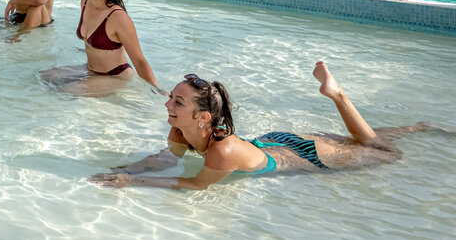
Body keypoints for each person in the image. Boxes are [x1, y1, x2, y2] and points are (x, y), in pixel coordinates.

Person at [90, 61, 436, 190]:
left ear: (203, 117)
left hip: (304, 156)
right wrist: (123, 169)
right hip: (274, 142)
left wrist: (134, 181)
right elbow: (166, 159)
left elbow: (196, 184)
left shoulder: (222, 151)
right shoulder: (180, 130)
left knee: (384, 152)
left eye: (178, 102)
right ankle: (417, 127)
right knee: (361, 140)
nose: (167, 104)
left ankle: (338, 95)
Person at [39, 0, 160, 96]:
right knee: (43, 76)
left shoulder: (118, 17)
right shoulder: (85, 2)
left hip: (115, 76)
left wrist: (156, 90)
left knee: (65, 92)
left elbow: (139, 60)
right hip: (90, 70)